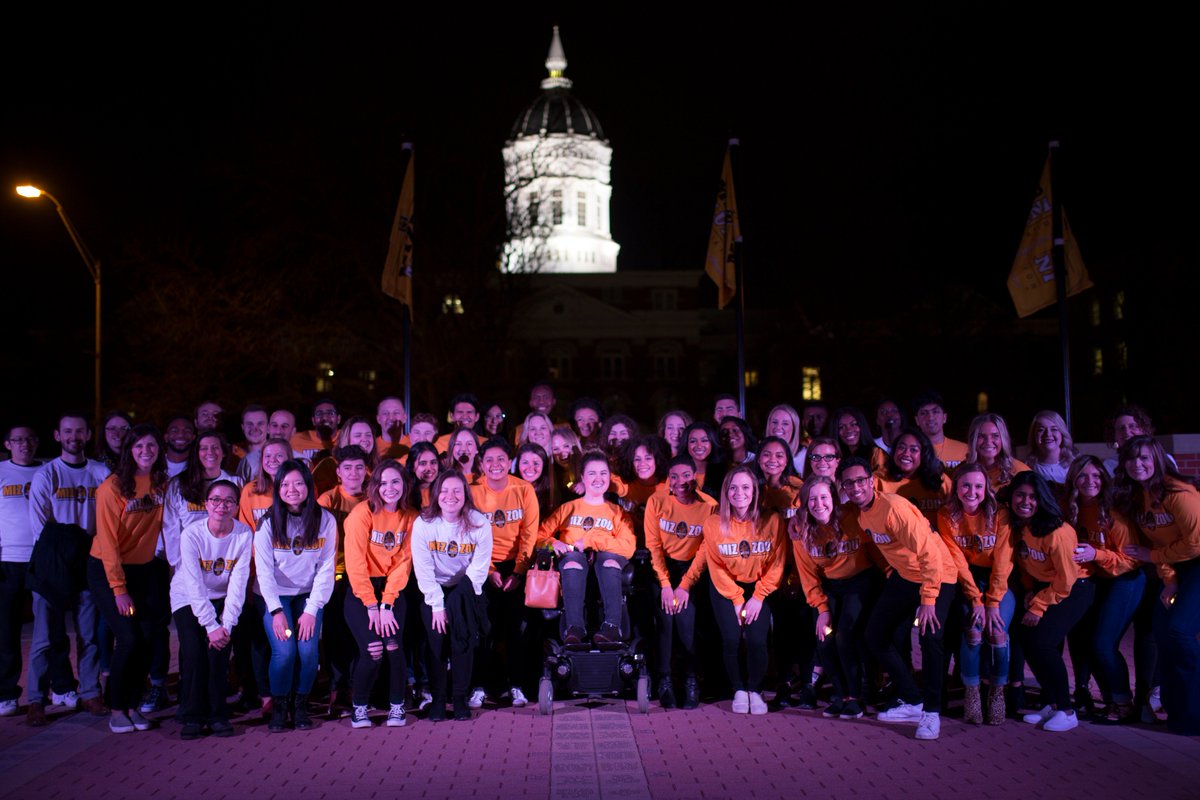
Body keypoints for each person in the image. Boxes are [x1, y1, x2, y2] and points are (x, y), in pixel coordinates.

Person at [841, 456, 957, 740]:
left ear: (871, 481)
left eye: (860, 480)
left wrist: (928, 600)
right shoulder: (858, 512)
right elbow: (873, 543)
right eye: (848, 483)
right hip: (906, 576)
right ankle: (913, 699)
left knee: (930, 636)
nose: (855, 487)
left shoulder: (893, 507)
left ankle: (931, 711)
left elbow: (929, 553)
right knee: (875, 635)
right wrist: (891, 569)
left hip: (939, 575)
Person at [26, 412, 111, 724]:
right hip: (53, 558)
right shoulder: (47, 474)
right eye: (67, 432)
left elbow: (108, 516)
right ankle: (36, 699)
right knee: (44, 636)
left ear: (88, 435)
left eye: (80, 431)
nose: (74, 436)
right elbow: (39, 525)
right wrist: (59, 553)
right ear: (58, 436)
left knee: (87, 634)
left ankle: (90, 692)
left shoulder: (100, 472)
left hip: (88, 558)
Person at [679, 466, 784, 715]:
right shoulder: (714, 523)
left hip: (760, 587)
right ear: (726, 493)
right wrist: (737, 600)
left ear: (755, 491)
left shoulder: (773, 521)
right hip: (726, 586)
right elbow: (715, 566)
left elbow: (777, 564)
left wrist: (758, 597)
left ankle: (755, 690)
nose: (740, 493)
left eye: (746, 487)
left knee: (758, 640)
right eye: (733, 487)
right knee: (731, 639)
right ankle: (738, 689)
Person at [88, 424, 169, 734]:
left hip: (144, 569)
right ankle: (117, 708)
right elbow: (107, 543)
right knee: (130, 638)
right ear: (129, 451)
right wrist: (119, 589)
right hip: (108, 570)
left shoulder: (161, 484)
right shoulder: (111, 488)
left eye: (151, 445)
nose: (145, 451)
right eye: (138, 446)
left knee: (147, 638)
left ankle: (133, 704)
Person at [1117, 435, 1200, 735]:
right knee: (1163, 633)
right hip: (1176, 569)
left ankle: (1194, 713)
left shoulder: (1179, 492)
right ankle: (1178, 715)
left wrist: (1154, 557)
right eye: (1130, 458)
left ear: (1157, 460)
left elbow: (1195, 543)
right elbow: (1154, 541)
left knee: (1180, 631)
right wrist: (1169, 580)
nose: (1137, 464)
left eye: (1144, 458)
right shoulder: (1138, 498)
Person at [253, 461, 338, 733]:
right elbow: (264, 573)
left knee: (309, 650)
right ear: (277, 488)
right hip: (275, 597)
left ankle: (300, 703)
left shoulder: (325, 519)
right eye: (285, 484)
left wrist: (312, 610)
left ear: (309, 487)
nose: (292, 489)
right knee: (285, 651)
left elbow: (326, 569)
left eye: (299, 483)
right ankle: (280, 705)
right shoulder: (267, 523)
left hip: (307, 596)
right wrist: (276, 612)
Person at [1008, 471, 1095, 733]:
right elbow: (1024, 562)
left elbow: (1066, 581)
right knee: (1027, 640)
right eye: (1020, 495)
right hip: (1044, 588)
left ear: (1042, 499)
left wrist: (1038, 605)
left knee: (1042, 643)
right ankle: (1054, 703)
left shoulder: (1059, 531)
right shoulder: (1020, 526)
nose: (1025, 501)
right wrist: (1028, 590)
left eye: (1033, 497)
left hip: (1073, 589)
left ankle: (1067, 711)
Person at [790, 475, 879, 720]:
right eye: (812, 499)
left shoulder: (852, 516)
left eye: (824, 497)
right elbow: (808, 576)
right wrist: (822, 609)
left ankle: (856, 698)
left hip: (859, 581)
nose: (819, 504)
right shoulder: (800, 528)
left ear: (834, 499)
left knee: (844, 636)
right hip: (830, 586)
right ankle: (840, 696)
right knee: (824, 638)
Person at [169, 480, 251, 739]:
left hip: (223, 597)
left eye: (228, 501)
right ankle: (192, 713)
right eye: (215, 499)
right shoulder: (192, 534)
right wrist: (210, 625)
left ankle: (217, 713)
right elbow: (193, 584)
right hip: (187, 597)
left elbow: (238, 584)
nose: (221, 505)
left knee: (219, 651)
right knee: (194, 651)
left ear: (236, 506)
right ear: (206, 504)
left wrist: (225, 625)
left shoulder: (243, 534)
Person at [1065, 454, 1142, 724]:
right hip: (1097, 581)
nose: (1090, 481)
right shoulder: (1071, 509)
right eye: (1084, 476)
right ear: (1074, 478)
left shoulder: (1112, 513)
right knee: (1088, 641)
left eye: (1097, 476)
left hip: (1125, 579)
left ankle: (1124, 703)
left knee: (1104, 643)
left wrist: (1096, 555)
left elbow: (1132, 559)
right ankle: (1110, 699)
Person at [411, 470, 492, 721]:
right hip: (434, 589)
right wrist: (438, 604)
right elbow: (423, 569)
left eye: (457, 490)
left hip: (466, 589)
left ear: (465, 495)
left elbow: (480, 567)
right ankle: (438, 698)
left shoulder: (479, 522)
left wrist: (458, 600)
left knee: (462, 644)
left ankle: (459, 698)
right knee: (436, 644)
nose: (450, 496)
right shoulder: (424, 523)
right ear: (436, 495)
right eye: (445, 490)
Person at [342, 459, 417, 729]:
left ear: (404, 484)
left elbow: (403, 562)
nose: (390, 487)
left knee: (394, 647)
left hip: (392, 591)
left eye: (395, 481)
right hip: (361, 592)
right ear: (374, 486)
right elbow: (355, 563)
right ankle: (359, 708)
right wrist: (372, 606)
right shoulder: (362, 513)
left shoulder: (411, 516)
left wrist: (387, 603)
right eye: (383, 482)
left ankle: (397, 707)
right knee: (373, 650)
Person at [938, 463, 1014, 725]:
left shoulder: (1000, 514)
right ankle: (972, 695)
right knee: (973, 630)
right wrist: (975, 599)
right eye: (966, 485)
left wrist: (992, 602)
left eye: (978, 486)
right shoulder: (947, 515)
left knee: (997, 630)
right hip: (966, 579)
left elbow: (1004, 561)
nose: (972, 491)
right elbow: (957, 561)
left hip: (997, 580)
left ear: (986, 489)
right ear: (956, 488)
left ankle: (996, 692)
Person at [470, 439, 539, 708]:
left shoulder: (524, 489)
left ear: (509, 462)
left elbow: (530, 533)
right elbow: (469, 533)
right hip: (482, 565)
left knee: (516, 630)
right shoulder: (473, 491)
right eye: (489, 460)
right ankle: (479, 686)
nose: (495, 465)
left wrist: (519, 572)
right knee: (483, 630)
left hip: (516, 567)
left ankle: (517, 686)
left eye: (501, 459)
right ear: (481, 463)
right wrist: (488, 571)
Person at [539, 452, 635, 645]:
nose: (598, 479)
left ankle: (612, 628)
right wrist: (553, 543)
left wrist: (592, 540)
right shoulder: (568, 508)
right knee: (572, 560)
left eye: (603, 473)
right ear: (582, 477)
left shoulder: (618, 512)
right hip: (574, 560)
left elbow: (628, 547)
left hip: (607, 562)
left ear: (609, 477)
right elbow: (539, 536)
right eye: (592, 473)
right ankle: (574, 627)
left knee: (608, 559)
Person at [645, 455, 715, 710]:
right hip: (662, 567)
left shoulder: (710, 506)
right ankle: (663, 680)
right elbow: (653, 545)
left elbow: (705, 551)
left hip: (691, 570)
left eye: (687, 475)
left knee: (686, 623)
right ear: (668, 481)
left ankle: (691, 680)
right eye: (675, 476)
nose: (681, 481)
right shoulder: (657, 500)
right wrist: (665, 584)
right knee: (665, 621)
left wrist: (684, 586)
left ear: (696, 477)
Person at [316, 445, 370, 714]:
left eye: (359, 467)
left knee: (360, 635)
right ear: (338, 472)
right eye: (347, 468)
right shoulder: (327, 500)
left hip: (365, 574)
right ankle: (338, 690)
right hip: (336, 574)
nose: (353, 473)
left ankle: (361, 687)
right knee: (336, 635)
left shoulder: (373, 498)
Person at [0, 425, 40, 717]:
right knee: (6, 630)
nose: (24, 445)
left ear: (37, 443)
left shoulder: (48, 471)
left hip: (42, 560)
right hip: (9, 559)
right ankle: (6, 694)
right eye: (17, 440)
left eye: (28, 440)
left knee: (49, 630)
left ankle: (60, 686)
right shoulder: (1, 472)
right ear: (7, 444)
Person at [873, 428, 951, 528]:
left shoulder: (940, 480)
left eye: (913, 450)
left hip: (935, 541)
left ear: (924, 454)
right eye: (901, 448)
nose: (906, 453)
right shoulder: (879, 480)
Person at [965, 413, 1029, 491]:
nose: (988, 442)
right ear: (973, 440)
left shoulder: (1020, 472)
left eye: (995, 436)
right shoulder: (962, 471)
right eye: (981, 436)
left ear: (1003, 439)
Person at [912, 391, 968, 472]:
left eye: (935, 412)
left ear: (944, 417)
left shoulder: (965, 450)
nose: (930, 417)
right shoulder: (911, 451)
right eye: (924, 413)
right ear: (917, 420)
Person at [1026, 411, 1077, 487]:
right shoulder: (1027, 468)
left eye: (1054, 429)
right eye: (1041, 429)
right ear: (1034, 435)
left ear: (1062, 433)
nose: (1048, 434)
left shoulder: (1075, 466)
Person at [682, 421, 724, 498]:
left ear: (712, 443)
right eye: (693, 441)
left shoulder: (724, 473)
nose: (699, 446)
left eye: (704, 440)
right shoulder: (676, 472)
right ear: (686, 445)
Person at [515, 443, 556, 519]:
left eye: (536, 463)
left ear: (544, 466)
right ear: (518, 464)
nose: (530, 468)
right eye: (525, 462)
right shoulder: (508, 487)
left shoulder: (551, 491)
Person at [233, 404, 269, 482]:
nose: (255, 429)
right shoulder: (233, 456)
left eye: (260, 424)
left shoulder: (278, 455)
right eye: (249, 424)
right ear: (243, 427)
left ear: (268, 427)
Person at [764, 404, 805, 473]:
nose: (778, 427)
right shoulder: (759, 454)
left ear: (794, 427)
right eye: (774, 422)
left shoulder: (804, 456)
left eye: (785, 423)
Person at [406, 441, 441, 510]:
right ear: (412, 467)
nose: (429, 468)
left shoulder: (444, 487)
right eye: (423, 463)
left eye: (433, 462)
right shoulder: (405, 492)